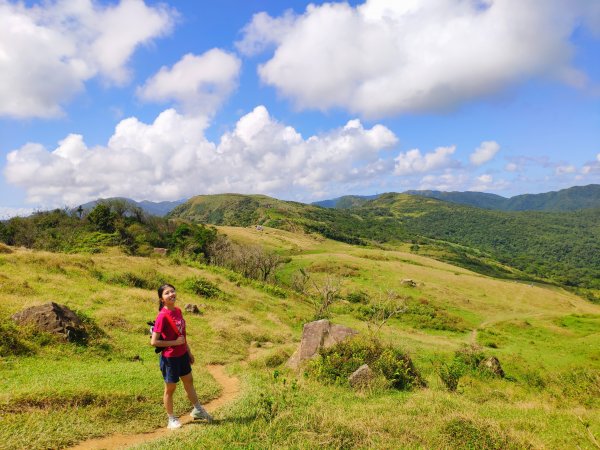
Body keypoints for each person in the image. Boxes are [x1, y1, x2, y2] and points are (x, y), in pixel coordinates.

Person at [151, 283, 213, 429]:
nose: (171, 294)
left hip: (182, 354)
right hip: (170, 358)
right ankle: (171, 419)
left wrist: (188, 351)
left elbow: (182, 335)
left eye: (172, 291)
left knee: (189, 381)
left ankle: (197, 410)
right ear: (161, 299)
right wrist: (174, 342)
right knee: (170, 388)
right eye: (167, 293)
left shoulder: (178, 311)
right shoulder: (162, 316)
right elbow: (154, 342)